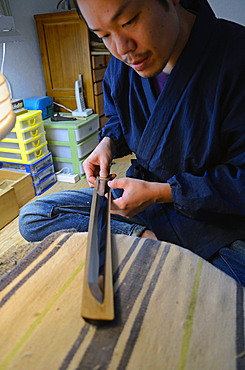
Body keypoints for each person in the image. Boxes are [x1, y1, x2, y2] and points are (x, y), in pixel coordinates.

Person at [19, 0, 245, 285]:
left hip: (210, 223)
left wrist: (163, 192)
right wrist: (107, 143)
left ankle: (156, 251)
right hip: (144, 210)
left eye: (128, 22)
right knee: (35, 215)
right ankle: (147, 242)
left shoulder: (236, 58)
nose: (122, 49)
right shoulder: (123, 65)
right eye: (103, 35)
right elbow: (118, 118)